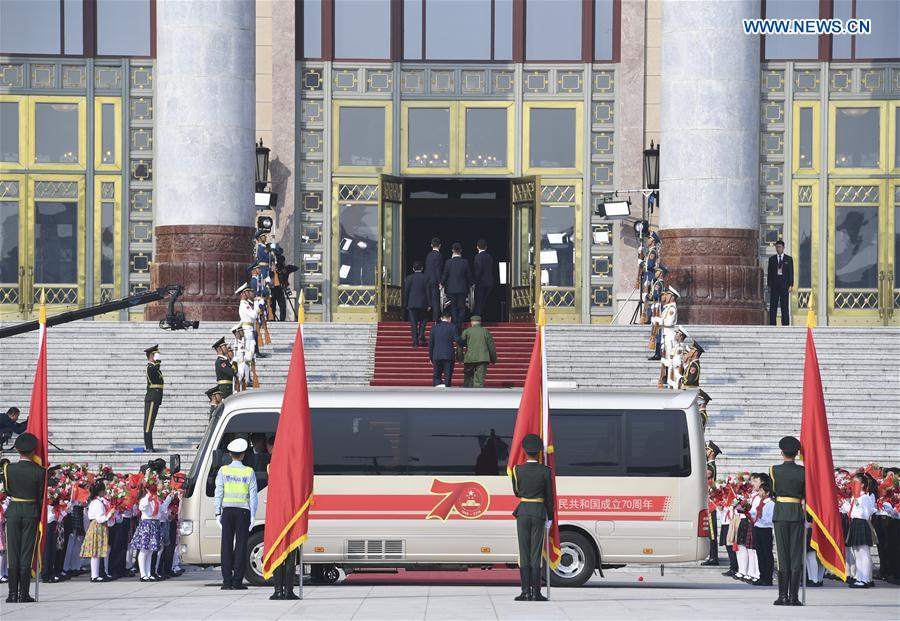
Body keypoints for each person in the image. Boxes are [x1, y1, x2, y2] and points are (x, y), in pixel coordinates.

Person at [511, 434, 554, 602]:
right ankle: (536, 592)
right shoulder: (545, 471)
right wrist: (549, 517)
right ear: (539, 453)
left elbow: (516, 492)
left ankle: (525, 592)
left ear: (524, 451)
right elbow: (549, 497)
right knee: (536, 553)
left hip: (523, 511)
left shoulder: (517, 470)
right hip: (539, 512)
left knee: (524, 552)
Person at [3, 433, 44, 603]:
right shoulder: (40, 471)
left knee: (13, 552)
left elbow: (8, 491)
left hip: (13, 511)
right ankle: (24, 594)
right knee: (26, 553)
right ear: (33, 451)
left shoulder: (8, 469)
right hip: (30, 511)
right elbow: (40, 496)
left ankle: (12, 594)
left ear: (18, 450)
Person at [215, 438, 258, 590]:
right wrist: (253, 515)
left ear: (230, 454)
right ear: (244, 455)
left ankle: (226, 581)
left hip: (227, 511)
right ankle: (237, 581)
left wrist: (217, 513)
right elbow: (253, 495)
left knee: (226, 545)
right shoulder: (249, 471)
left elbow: (218, 492)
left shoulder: (223, 470)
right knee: (241, 546)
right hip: (243, 512)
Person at [770, 435, 805, 606]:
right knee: (796, 554)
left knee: (783, 555)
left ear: (781, 452)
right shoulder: (803, 472)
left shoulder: (774, 470)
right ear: (797, 453)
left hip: (781, 513)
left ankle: (783, 596)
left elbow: (772, 492)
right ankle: (794, 597)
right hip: (797, 512)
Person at [130, 471, 173, 582]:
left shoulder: (156, 499)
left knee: (150, 551)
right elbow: (142, 508)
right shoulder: (145, 499)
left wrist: (169, 498)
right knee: (144, 550)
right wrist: (148, 499)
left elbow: (162, 509)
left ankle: (148, 573)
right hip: (147, 524)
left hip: (154, 524)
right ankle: (143, 574)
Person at [843, 472, 876, 588]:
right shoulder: (855, 497)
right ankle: (859, 576)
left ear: (862, 485)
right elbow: (852, 513)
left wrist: (857, 503)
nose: (853, 484)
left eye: (855, 482)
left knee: (864, 552)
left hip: (862, 522)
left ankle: (866, 579)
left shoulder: (865, 497)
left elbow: (866, 513)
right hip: (855, 523)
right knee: (856, 552)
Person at [80, 480, 114, 582]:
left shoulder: (97, 501)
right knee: (95, 552)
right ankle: (94, 575)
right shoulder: (97, 503)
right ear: (100, 491)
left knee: (97, 552)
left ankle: (97, 574)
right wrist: (109, 514)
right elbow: (100, 518)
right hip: (97, 526)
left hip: (99, 526)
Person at [442, 242, 473, 330]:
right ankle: (459, 324)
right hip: (462, 288)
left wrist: (441, 283)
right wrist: (472, 283)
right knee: (462, 307)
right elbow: (469, 275)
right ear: (461, 250)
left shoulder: (448, 262)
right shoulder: (465, 262)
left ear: (452, 250)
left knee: (454, 307)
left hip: (451, 289)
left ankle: (455, 324)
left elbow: (445, 275)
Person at [460, 316, 497, 388]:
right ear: (480, 322)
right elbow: (491, 346)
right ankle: (478, 396)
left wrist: (460, 357)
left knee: (468, 379)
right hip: (482, 358)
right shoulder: (485, 331)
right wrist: (493, 358)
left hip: (469, 359)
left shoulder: (467, 331)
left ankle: (467, 395)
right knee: (479, 381)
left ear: (471, 322)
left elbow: (460, 344)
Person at [702, 441, 722, 566]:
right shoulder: (709, 465)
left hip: (711, 502)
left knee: (712, 530)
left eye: (707, 450)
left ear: (712, 453)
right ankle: (712, 556)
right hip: (709, 501)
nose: (705, 452)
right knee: (710, 530)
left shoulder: (710, 467)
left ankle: (714, 557)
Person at [236, 283, 260, 387]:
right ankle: (245, 379)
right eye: (247, 292)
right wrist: (256, 303)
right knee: (248, 356)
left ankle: (247, 378)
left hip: (249, 329)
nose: (250, 293)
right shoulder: (245, 305)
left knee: (249, 356)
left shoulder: (246, 304)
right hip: (247, 331)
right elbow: (254, 315)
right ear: (243, 293)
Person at [429, 310, 459, 388]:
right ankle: (447, 390)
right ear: (450, 318)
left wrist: (431, 357)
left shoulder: (434, 328)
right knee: (448, 376)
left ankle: (437, 390)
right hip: (448, 355)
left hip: (437, 355)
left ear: (441, 318)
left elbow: (431, 344)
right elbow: (457, 340)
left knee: (437, 375)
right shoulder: (453, 327)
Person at [753, 482, 775, 587]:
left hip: (766, 530)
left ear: (767, 492)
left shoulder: (771, 504)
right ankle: (762, 576)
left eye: (761, 490)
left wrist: (760, 516)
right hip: (758, 528)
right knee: (760, 554)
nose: (759, 492)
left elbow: (770, 519)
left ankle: (768, 578)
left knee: (767, 554)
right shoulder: (760, 502)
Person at [767, 239, 794, 326]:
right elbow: (769, 273)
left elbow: (791, 272)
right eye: (777, 247)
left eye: (780, 247)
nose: (778, 249)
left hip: (784, 286)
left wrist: (790, 285)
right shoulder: (772, 259)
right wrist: (769, 285)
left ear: (783, 248)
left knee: (784, 306)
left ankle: (785, 324)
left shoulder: (788, 259)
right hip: (774, 286)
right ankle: (772, 324)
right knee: (773, 306)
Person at [143, 345, 164, 452]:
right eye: (155, 354)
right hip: (151, 397)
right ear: (151, 355)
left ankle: (150, 446)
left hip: (156, 397)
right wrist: (158, 361)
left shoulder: (154, 368)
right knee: (148, 424)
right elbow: (154, 372)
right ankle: (149, 447)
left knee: (151, 423)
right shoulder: (150, 367)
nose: (157, 356)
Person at [404, 259, 429, 347]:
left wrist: (406, 303)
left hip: (412, 303)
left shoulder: (409, 278)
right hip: (423, 302)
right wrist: (429, 304)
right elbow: (428, 291)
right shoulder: (426, 277)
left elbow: (406, 292)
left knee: (413, 323)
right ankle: (421, 332)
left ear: (413, 269)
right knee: (424, 319)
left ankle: (415, 342)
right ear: (422, 268)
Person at [656, 288, 678, 384]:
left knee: (670, 357)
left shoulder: (672, 308)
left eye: (668, 295)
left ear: (672, 297)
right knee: (665, 357)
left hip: (669, 335)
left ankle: (670, 378)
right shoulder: (668, 307)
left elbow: (668, 322)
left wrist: (659, 321)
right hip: (665, 335)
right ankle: (666, 377)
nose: (666, 297)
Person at [473, 239, 494, 317]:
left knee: (478, 301)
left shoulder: (477, 257)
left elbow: (478, 270)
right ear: (486, 247)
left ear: (477, 247)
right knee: (484, 302)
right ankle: (482, 317)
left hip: (480, 283)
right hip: (489, 282)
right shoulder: (490, 257)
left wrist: (474, 281)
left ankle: (477, 319)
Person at [424, 237, 444, 323]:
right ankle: (435, 320)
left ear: (431, 245)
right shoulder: (439, 255)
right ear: (440, 245)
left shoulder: (428, 255)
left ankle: (425, 320)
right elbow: (438, 269)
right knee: (435, 301)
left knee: (428, 300)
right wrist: (440, 281)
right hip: (435, 280)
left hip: (427, 280)